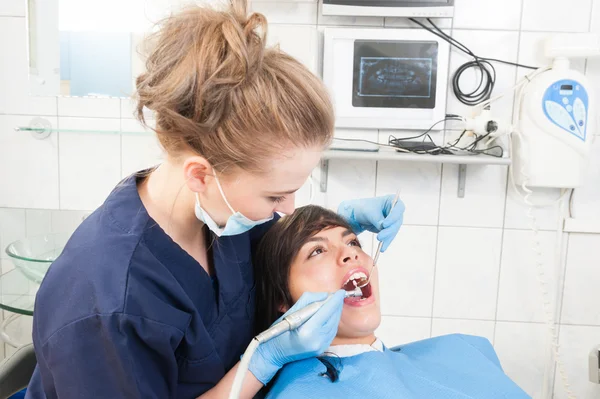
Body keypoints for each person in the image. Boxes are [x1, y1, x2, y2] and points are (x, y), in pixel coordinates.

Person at [24, 2, 405, 399]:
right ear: (201, 174)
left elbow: (274, 253)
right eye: (275, 194)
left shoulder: (223, 216)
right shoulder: (107, 305)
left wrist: (334, 228)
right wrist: (260, 363)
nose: (287, 209)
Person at [253, 206, 531, 399]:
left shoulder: (466, 349)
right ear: (282, 301)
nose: (349, 253)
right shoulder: (300, 391)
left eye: (353, 242)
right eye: (317, 250)